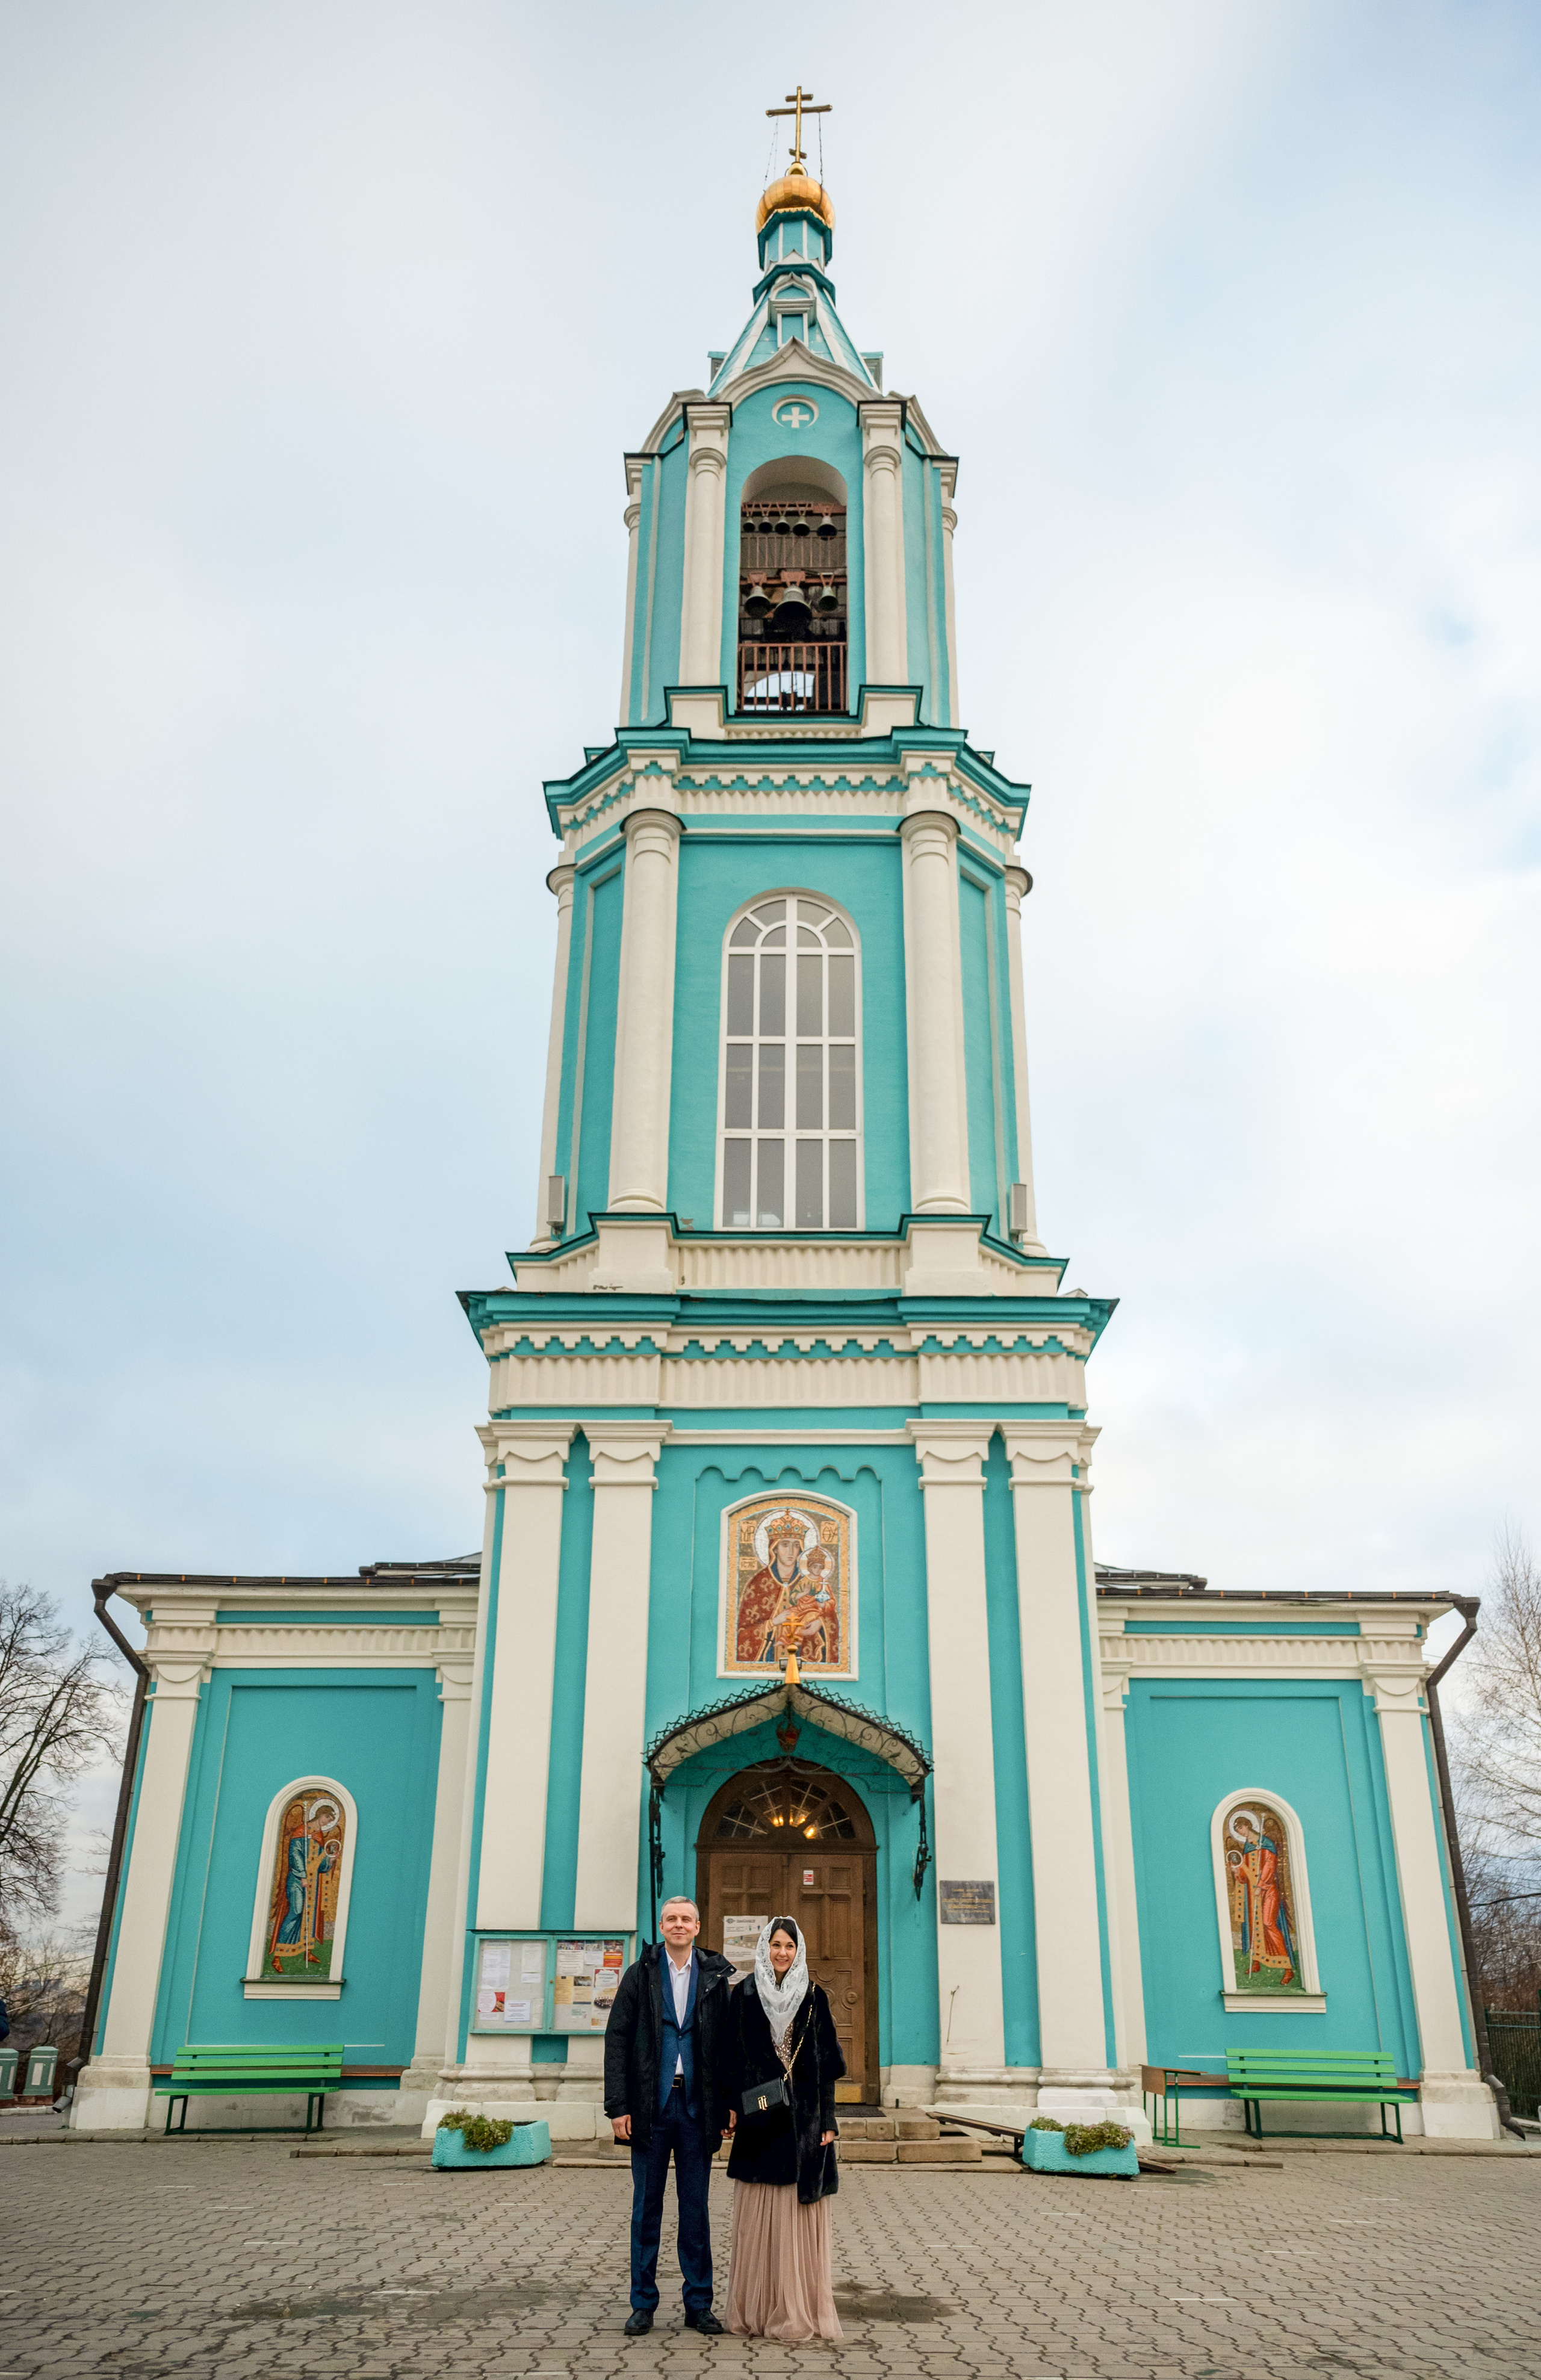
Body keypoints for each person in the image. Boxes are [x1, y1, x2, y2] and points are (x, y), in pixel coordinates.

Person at [603, 1895, 733, 2337]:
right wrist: (617, 2107)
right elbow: (617, 2039)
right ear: (662, 1926)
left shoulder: (716, 1978)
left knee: (695, 2211)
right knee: (647, 2209)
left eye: (686, 1920)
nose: (679, 1926)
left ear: (699, 1927)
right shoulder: (640, 1975)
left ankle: (699, 2303)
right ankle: (643, 2304)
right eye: (671, 1919)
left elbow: (728, 2047)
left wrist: (730, 2104)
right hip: (650, 2109)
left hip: (697, 2108)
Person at [716, 1917, 845, 2343]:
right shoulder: (745, 1994)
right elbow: (731, 2060)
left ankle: (796, 2309)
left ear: (799, 1950)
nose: (782, 1953)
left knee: (797, 2213)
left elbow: (826, 2067)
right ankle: (756, 2308)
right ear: (764, 1948)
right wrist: (731, 2110)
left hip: (804, 2121)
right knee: (761, 2217)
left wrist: (828, 2122)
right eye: (775, 1945)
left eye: (789, 1945)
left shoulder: (813, 1996)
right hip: (759, 2120)